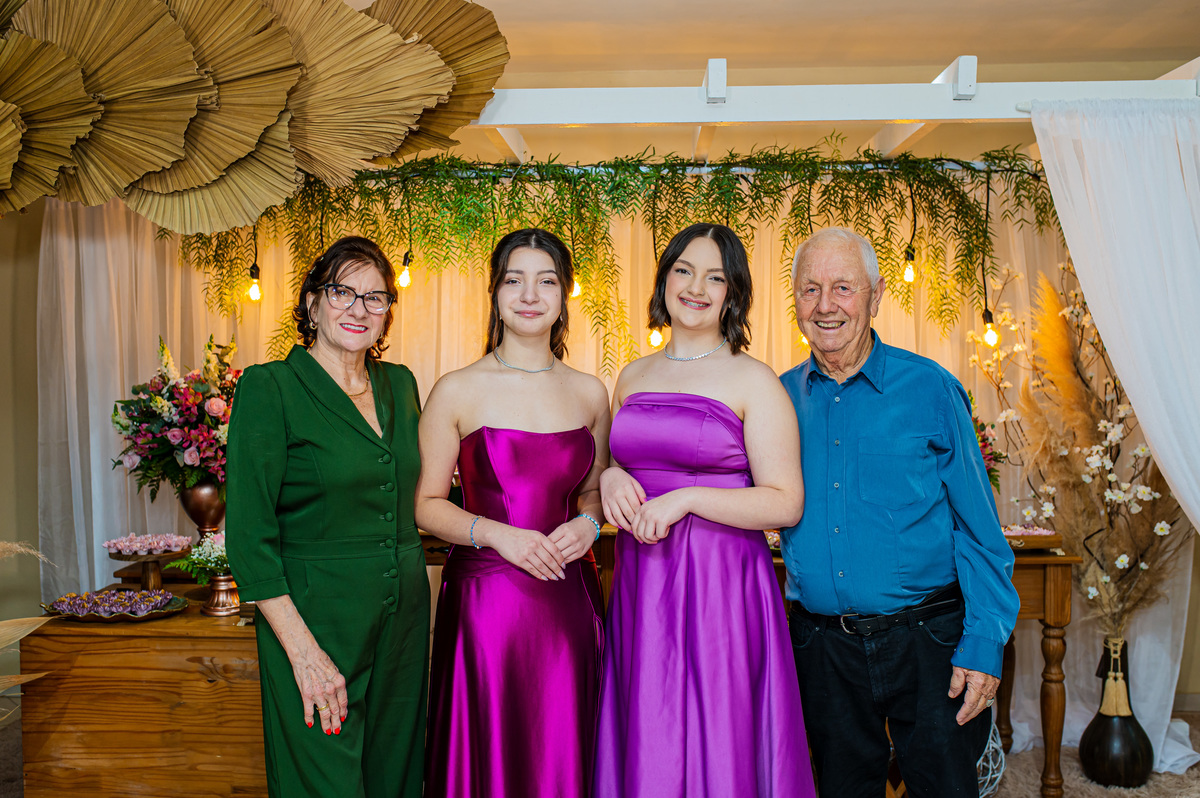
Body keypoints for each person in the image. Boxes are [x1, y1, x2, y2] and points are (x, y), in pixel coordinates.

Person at [779, 226, 1020, 797]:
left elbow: (979, 532)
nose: (826, 305)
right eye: (810, 289)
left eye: (843, 287)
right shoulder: (778, 399)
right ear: (795, 300)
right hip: (822, 649)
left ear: (876, 294)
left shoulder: (931, 389)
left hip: (929, 642)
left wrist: (984, 646)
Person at [594, 222, 817, 798]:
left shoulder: (754, 379)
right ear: (664, 280)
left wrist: (688, 498)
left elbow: (786, 501)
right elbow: (613, 465)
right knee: (652, 727)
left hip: (722, 583)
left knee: (721, 730)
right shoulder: (633, 375)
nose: (695, 288)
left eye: (714, 277)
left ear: (733, 292)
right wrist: (612, 475)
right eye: (684, 271)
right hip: (644, 578)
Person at [226, 237, 428, 798]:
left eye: (375, 297)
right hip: (314, 621)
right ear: (312, 304)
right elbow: (248, 537)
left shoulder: (401, 384)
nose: (359, 308)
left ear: (387, 312)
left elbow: (421, 494)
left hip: (404, 623)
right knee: (324, 783)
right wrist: (303, 651)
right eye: (342, 292)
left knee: (396, 779)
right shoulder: (270, 387)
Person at [415, 228, 610, 798]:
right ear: (495, 293)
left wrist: (589, 524)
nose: (529, 295)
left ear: (564, 295)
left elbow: (594, 492)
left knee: (564, 749)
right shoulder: (456, 390)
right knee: (488, 754)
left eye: (545, 281)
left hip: (569, 599)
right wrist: (501, 535)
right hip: (486, 608)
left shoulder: (591, 393)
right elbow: (425, 506)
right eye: (513, 280)